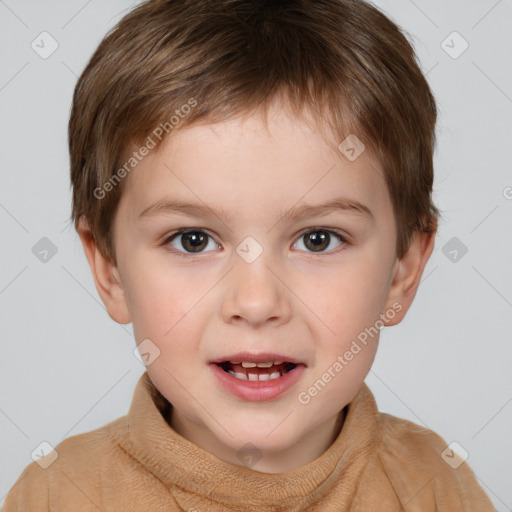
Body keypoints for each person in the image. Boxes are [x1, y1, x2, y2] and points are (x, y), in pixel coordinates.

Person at [3, 0, 496, 510]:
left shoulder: (436, 486)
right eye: (193, 240)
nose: (257, 303)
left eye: (318, 239)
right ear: (109, 269)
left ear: (403, 270)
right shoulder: (57, 495)